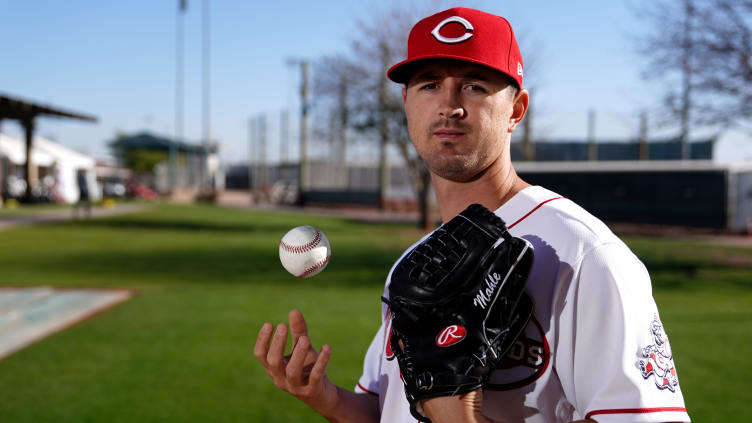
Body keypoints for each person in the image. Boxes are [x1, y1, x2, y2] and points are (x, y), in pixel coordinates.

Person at [254, 7, 690, 423]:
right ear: (406, 104)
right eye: (428, 85)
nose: (449, 105)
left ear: (516, 110)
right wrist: (324, 397)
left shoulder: (583, 256)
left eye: (474, 86)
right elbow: (391, 411)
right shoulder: (420, 263)